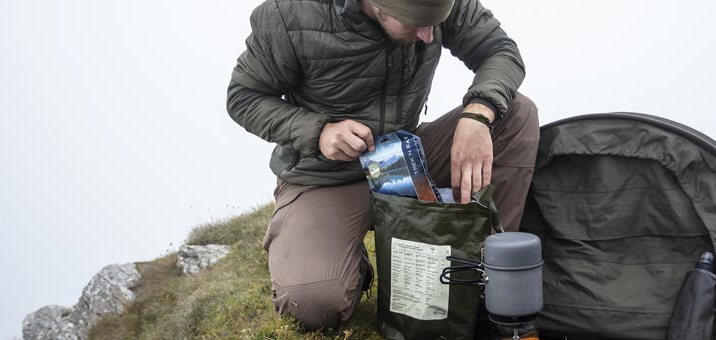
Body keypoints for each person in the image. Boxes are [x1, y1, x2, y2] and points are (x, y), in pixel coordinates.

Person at [225, 0, 539, 330]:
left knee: (515, 113)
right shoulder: (289, 14)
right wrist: (318, 132)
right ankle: (347, 261)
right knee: (311, 307)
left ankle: (489, 267)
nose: (429, 36)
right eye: (416, 24)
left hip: (409, 155)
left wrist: (478, 114)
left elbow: (500, 50)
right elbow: (244, 96)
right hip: (325, 176)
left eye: (434, 23)